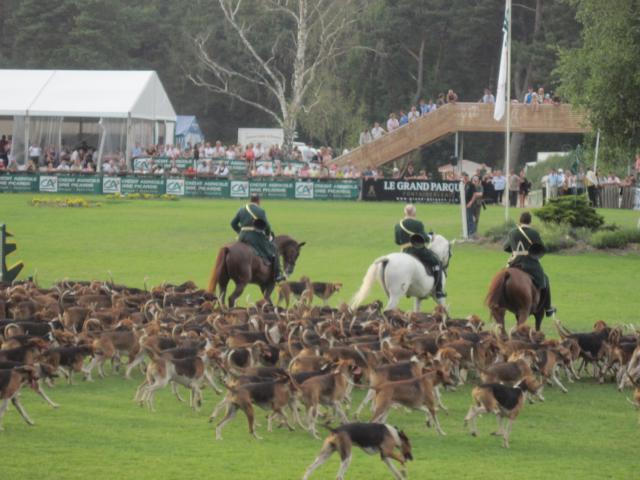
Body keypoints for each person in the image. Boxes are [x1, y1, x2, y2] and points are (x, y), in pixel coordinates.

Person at [504, 212, 556, 317]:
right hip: (530, 263)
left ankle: (500, 301)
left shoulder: (513, 232)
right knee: (545, 279)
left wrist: (515, 249)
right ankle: (548, 308)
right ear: (530, 221)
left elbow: (506, 247)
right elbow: (541, 248)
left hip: (515, 262)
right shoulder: (534, 233)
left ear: (520, 220)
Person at [394, 204, 446, 300]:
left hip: (404, 251)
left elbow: (397, 241)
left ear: (405, 212)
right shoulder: (418, 224)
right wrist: (430, 237)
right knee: (437, 262)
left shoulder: (398, 225)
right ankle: (438, 290)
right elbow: (424, 239)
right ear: (414, 213)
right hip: (417, 250)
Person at [230, 193, 285, 283]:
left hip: (242, 237)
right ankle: (277, 275)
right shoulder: (260, 211)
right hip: (255, 237)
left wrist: (240, 232)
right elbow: (267, 226)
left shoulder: (242, 209)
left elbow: (233, 223)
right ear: (259, 201)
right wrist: (268, 235)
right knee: (274, 249)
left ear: (250, 200)